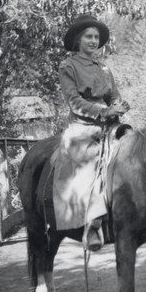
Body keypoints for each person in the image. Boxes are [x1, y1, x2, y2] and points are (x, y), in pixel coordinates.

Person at [53, 14, 130, 251]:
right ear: (78, 39)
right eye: (89, 36)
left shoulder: (104, 68)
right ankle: (92, 223)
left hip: (110, 123)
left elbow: (113, 94)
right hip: (82, 127)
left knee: (134, 148)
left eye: (97, 37)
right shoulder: (68, 66)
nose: (94, 41)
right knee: (88, 163)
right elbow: (74, 101)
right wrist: (104, 111)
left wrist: (117, 105)